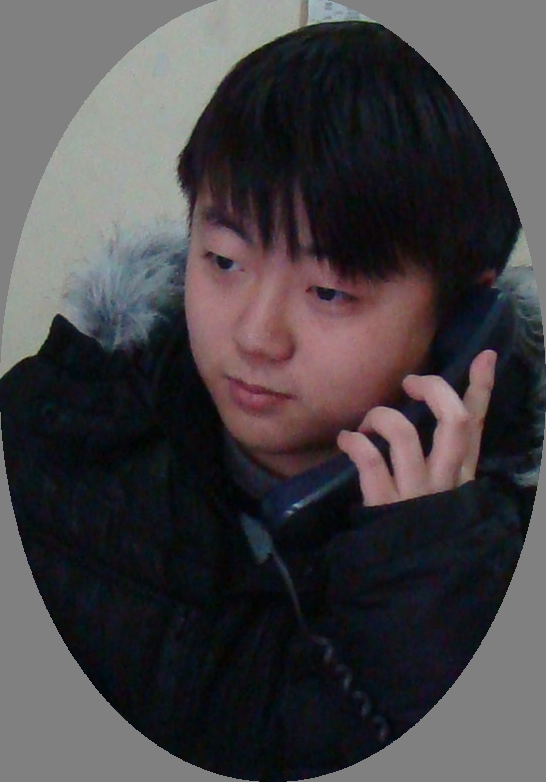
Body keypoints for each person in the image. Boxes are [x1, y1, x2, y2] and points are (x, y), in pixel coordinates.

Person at [1, 20, 543, 780]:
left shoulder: (495, 560)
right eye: (223, 260)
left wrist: (424, 577)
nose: (255, 336)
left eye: (329, 291)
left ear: (462, 316)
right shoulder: (56, 441)